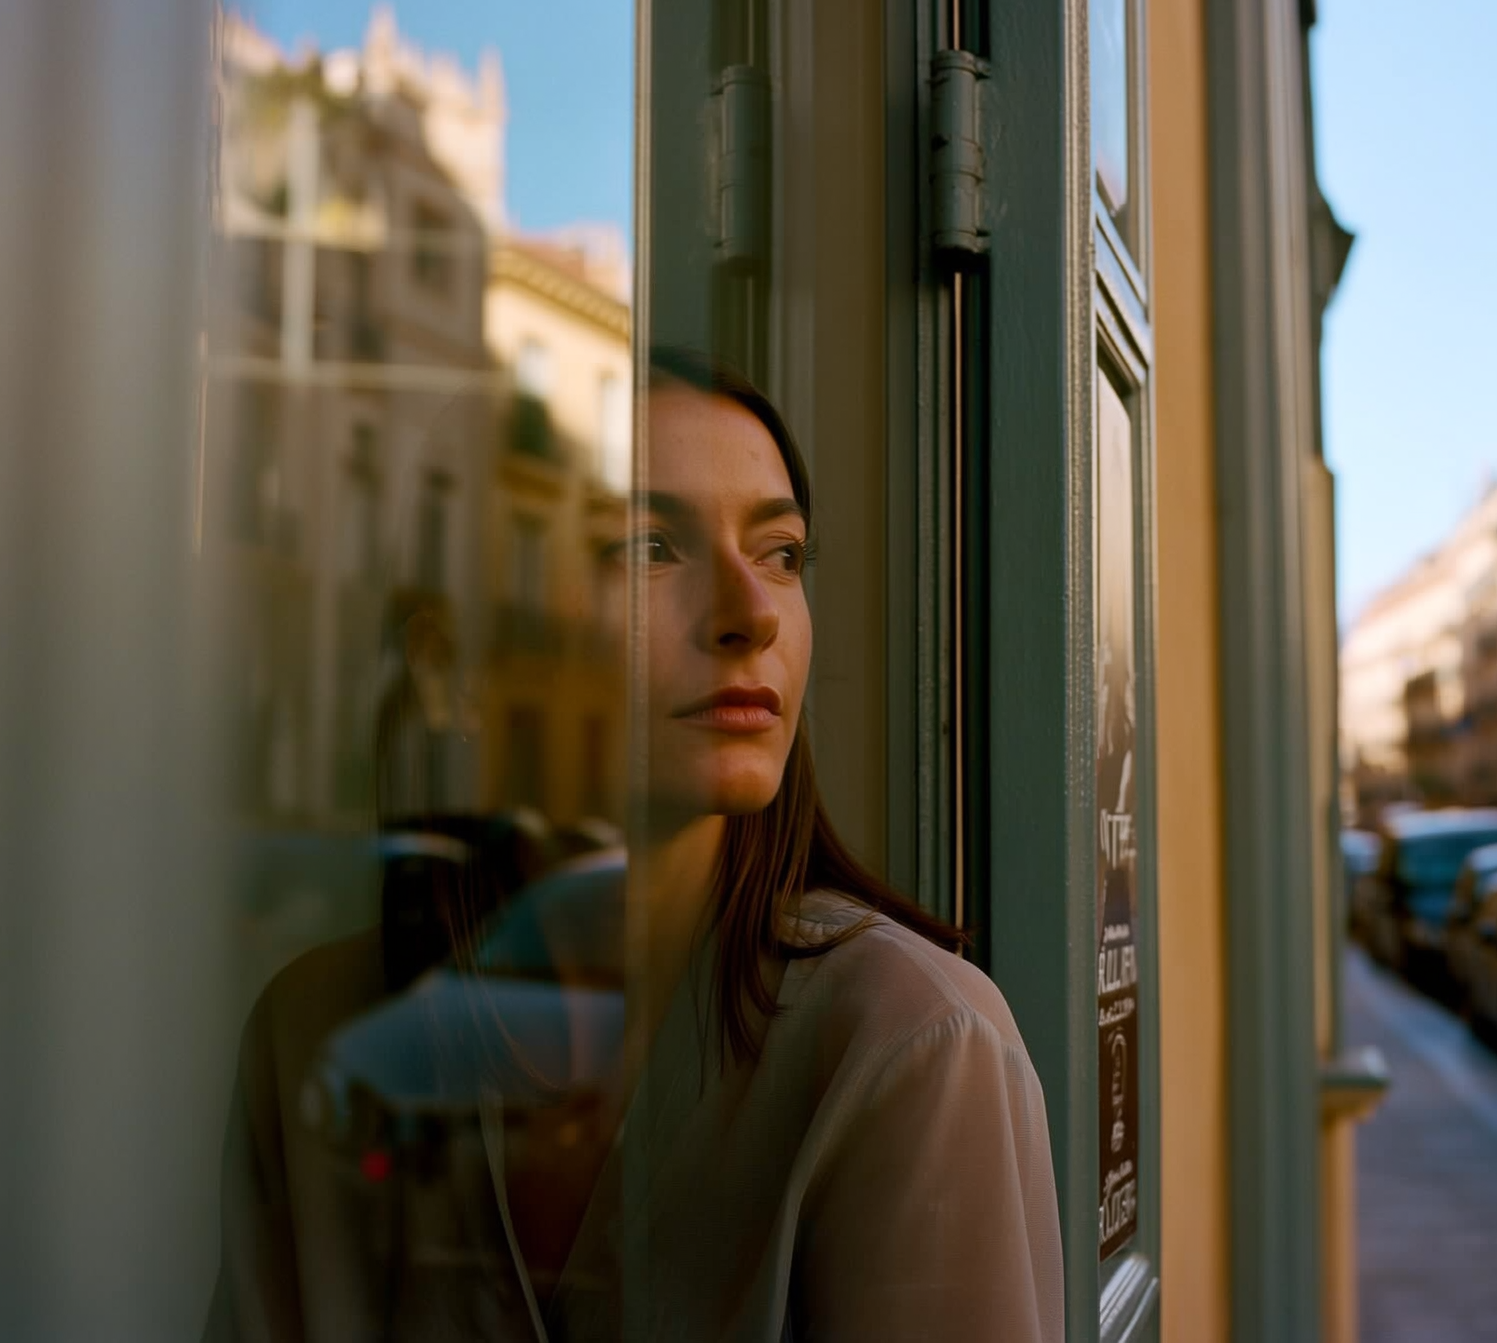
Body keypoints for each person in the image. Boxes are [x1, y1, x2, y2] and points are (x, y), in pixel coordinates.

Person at [207, 348, 1063, 1342]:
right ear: (445, 653)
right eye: (647, 545)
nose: (752, 616)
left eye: (781, 554)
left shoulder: (910, 1047)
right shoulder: (310, 1037)